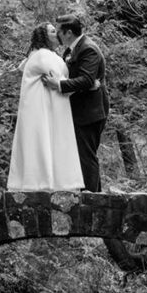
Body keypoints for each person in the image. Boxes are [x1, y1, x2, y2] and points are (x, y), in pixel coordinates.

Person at [7, 23, 84, 190]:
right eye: (52, 31)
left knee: (45, 141)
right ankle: (47, 182)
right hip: (44, 106)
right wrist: (86, 84)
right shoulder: (43, 56)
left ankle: (47, 181)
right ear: (44, 36)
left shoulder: (39, 55)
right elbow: (59, 80)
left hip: (46, 105)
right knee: (44, 141)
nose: (57, 33)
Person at [41, 14, 110, 192]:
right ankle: (94, 195)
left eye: (59, 32)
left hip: (90, 112)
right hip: (81, 110)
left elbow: (87, 79)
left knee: (86, 156)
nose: (57, 36)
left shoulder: (88, 49)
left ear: (68, 33)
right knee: (84, 155)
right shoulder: (73, 49)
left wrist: (59, 85)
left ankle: (91, 198)